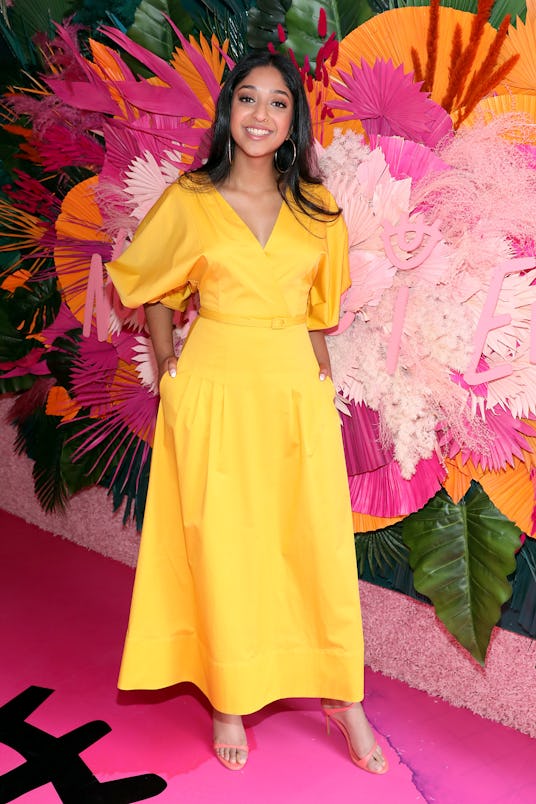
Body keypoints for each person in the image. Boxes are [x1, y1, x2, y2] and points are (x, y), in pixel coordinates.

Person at [106, 49, 388, 775]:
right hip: (213, 386)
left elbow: (319, 312)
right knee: (226, 542)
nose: (261, 114)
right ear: (228, 113)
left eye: (278, 103)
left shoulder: (318, 210)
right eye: (248, 100)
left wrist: (317, 373)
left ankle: (341, 694)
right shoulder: (191, 199)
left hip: (291, 390)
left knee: (313, 542)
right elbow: (149, 285)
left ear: (294, 121)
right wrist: (169, 362)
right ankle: (229, 696)